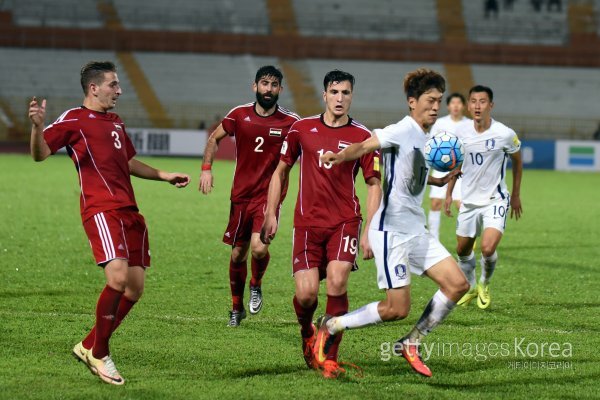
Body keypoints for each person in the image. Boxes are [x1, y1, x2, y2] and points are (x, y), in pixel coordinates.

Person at [28, 61, 190, 385]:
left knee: (134, 288)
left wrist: (163, 175)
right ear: (94, 88)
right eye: (113, 84)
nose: (118, 90)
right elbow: (40, 153)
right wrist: (36, 127)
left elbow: (127, 162)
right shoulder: (74, 119)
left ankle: (87, 345)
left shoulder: (116, 122)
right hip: (101, 209)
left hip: (129, 210)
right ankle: (100, 352)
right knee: (116, 279)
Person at [315, 68, 469, 378]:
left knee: (458, 285)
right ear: (412, 102)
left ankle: (411, 343)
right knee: (396, 309)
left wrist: (443, 177)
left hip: (416, 228)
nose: (435, 107)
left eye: (439, 101)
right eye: (430, 100)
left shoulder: (428, 135)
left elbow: (419, 177)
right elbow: (365, 146)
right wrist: (339, 156)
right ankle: (332, 324)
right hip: (391, 232)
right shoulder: (402, 129)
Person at [261, 70, 382, 379]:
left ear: (351, 96)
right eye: (334, 92)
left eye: (345, 92)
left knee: (339, 281)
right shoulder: (302, 129)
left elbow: (373, 183)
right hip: (306, 224)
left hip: (344, 221)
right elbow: (280, 171)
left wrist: (369, 228)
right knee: (306, 296)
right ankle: (307, 332)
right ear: (325, 95)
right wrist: (271, 212)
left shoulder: (363, 137)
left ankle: (330, 356)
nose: (340, 98)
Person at [199, 66, 300, 326]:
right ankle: (236, 307)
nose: (269, 89)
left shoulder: (291, 122)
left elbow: (309, 149)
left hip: (269, 198)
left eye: (274, 84)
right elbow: (214, 138)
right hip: (241, 196)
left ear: (281, 89)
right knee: (237, 255)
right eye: (264, 83)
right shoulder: (239, 115)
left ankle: (256, 284)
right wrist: (206, 169)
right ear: (255, 87)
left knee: (259, 248)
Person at [445, 85, 523, 309]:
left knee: (488, 248)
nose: (477, 106)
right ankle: (470, 286)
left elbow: (518, 161)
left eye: (482, 101)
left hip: (495, 200)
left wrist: (515, 195)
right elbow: (457, 163)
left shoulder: (504, 134)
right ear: (468, 105)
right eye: (473, 101)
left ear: (491, 105)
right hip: (469, 202)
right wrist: (449, 193)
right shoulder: (460, 133)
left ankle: (484, 283)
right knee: (462, 250)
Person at [427, 93, 469, 241]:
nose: (456, 106)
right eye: (453, 103)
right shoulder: (440, 123)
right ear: (448, 106)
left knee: (461, 205)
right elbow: (431, 143)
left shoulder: (469, 124)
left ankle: (467, 237)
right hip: (439, 167)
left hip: (460, 169)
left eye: (459, 103)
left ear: (463, 106)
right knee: (435, 203)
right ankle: (433, 239)